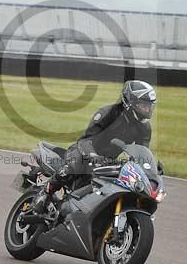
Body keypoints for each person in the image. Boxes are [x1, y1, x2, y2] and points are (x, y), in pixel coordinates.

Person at [32, 80, 157, 214]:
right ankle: (45, 193)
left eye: (149, 106)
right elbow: (87, 140)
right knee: (75, 166)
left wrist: (149, 168)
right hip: (83, 151)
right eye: (143, 105)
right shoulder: (108, 113)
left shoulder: (144, 127)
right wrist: (93, 156)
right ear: (129, 102)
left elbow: (142, 152)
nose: (147, 110)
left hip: (108, 160)